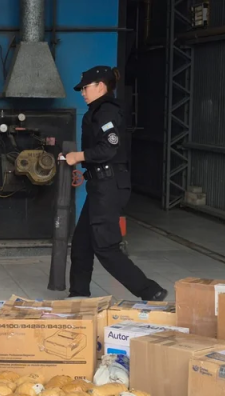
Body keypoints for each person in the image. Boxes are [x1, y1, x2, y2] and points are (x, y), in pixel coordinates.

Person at [64, 65, 166, 301]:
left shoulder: (107, 111)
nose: (82, 92)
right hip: (100, 185)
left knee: (106, 247)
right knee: (81, 244)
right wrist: (86, 172)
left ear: (100, 86)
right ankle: (78, 295)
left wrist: (78, 156)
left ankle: (151, 292)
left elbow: (108, 148)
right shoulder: (97, 110)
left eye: (85, 88)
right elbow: (104, 156)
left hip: (108, 189)